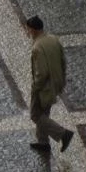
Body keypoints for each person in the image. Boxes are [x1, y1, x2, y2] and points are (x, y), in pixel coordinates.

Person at [24, 15, 73, 153]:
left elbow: (41, 73)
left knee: (36, 115)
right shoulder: (53, 39)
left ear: (33, 30)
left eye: (28, 30)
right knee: (44, 112)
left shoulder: (37, 48)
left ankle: (63, 134)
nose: (28, 33)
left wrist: (35, 87)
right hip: (56, 83)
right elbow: (63, 61)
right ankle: (43, 142)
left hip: (43, 87)